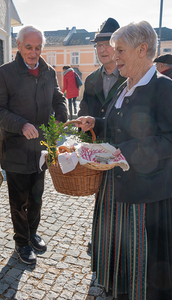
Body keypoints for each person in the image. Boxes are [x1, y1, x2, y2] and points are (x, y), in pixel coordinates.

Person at [76, 21, 172, 300]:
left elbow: (169, 139)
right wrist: (97, 122)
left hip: (145, 193)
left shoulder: (163, 89)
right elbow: (119, 125)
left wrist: (125, 151)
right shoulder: (125, 86)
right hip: (115, 186)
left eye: (120, 50)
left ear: (142, 50)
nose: (114, 55)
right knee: (117, 250)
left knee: (140, 260)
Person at [0, 25, 67, 265]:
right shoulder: (4, 74)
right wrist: (20, 124)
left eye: (38, 48)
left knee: (37, 197)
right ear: (19, 46)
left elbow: (57, 96)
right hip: (15, 150)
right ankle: (21, 242)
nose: (34, 53)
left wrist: (61, 116)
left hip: (41, 150)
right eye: (29, 47)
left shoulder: (48, 71)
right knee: (19, 201)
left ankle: (32, 233)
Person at [78, 17, 126, 141]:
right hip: (93, 146)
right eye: (98, 45)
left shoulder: (128, 77)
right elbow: (84, 109)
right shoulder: (91, 79)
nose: (101, 50)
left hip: (119, 147)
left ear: (118, 47)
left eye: (107, 45)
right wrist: (82, 123)